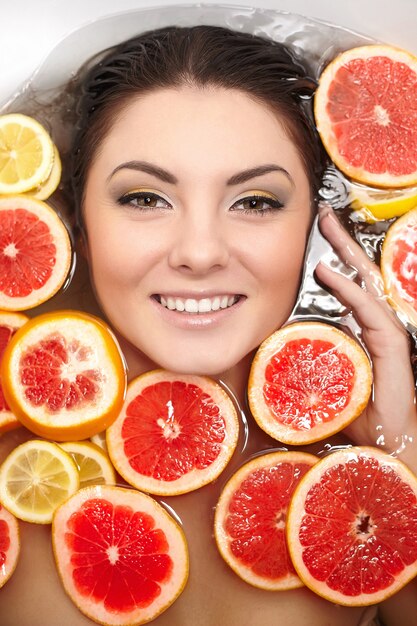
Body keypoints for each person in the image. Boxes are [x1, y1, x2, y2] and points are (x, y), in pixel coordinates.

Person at [0, 24, 416, 626]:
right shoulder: (15, 473)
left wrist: (397, 446)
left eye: (255, 202)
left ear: (312, 232)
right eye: (144, 198)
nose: (200, 251)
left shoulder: (378, 469)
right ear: (78, 229)